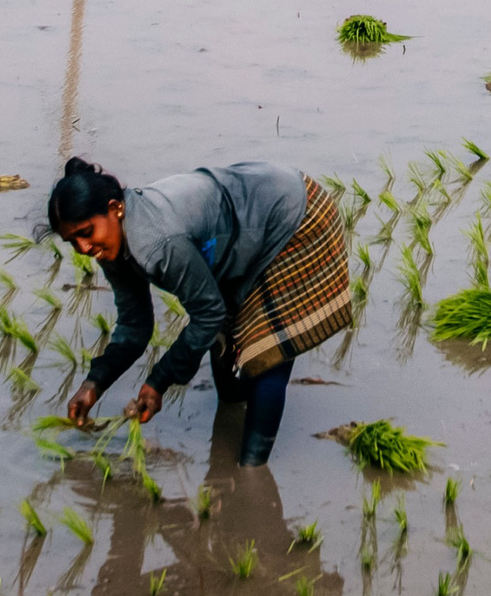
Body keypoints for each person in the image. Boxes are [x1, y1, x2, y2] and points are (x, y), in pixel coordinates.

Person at [52, 157, 351, 465]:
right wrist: (94, 383)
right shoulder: (113, 245)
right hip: (241, 224)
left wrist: (158, 382)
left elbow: (208, 313)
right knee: (226, 342)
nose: (84, 248)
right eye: (72, 240)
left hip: (291, 215)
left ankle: (252, 470)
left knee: (266, 354)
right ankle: (231, 416)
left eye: (87, 232)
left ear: (115, 209)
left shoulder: (159, 243)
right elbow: (135, 324)